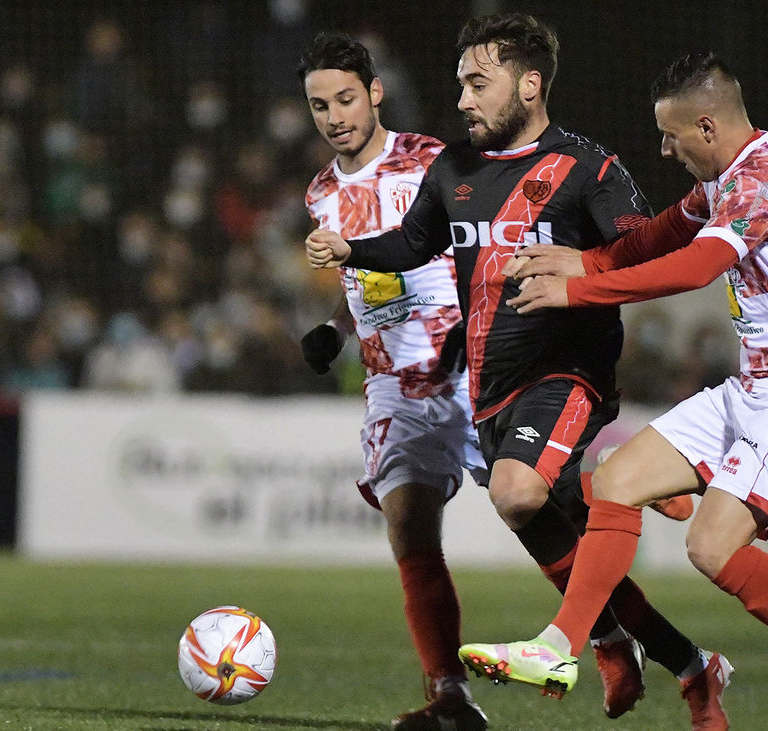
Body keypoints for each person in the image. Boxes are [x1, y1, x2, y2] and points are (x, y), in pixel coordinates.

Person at [306, 15, 724, 727]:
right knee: (542, 519)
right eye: (460, 84)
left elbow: (642, 250)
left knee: (518, 492)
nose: (463, 100)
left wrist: (590, 265)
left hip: (560, 371)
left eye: (477, 83)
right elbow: (411, 243)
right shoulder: (451, 173)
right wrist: (350, 253)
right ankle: (683, 659)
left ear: (529, 86)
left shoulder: (584, 167)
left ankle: (622, 503)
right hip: (484, 386)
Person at [458, 52, 768, 731]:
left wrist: (577, 289)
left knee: (710, 548)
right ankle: (559, 647)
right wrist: (588, 258)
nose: (664, 148)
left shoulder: (762, 182)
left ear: (708, 127)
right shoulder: (725, 178)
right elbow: (663, 234)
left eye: (671, 134)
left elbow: (693, 268)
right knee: (617, 478)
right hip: (757, 388)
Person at [297, 32, 488, 730]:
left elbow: (475, 249)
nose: (334, 115)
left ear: (375, 92)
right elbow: (361, 279)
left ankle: (625, 631)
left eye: (346, 98)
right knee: (409, 527)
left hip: (466, 362)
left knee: (542, 507)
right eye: (320, 104)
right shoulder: (320, 192)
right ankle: (451, 696)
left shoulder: (432, 160)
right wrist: (338, 331)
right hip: (391, 380)